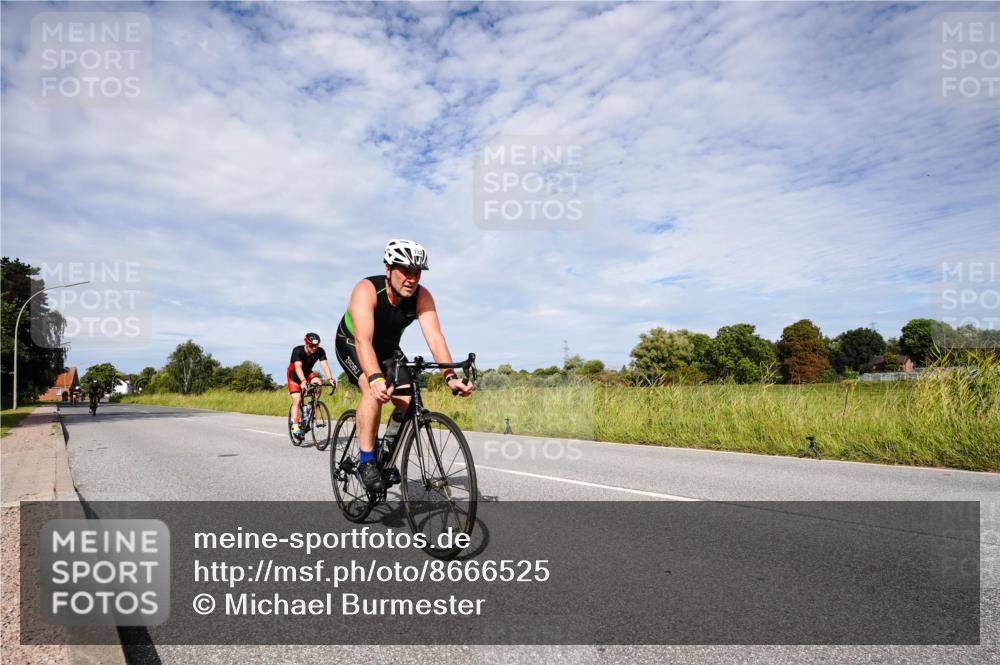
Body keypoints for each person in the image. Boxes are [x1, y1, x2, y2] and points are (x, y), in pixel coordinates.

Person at [335, 239, 473, 492]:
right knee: (371, 389)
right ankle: (366, 461)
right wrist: (376, 378)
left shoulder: (422, 296)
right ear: (388, 269)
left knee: (407, 400)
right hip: (353, 343)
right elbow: (363, 342)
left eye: (417, 272)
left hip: (387, 348)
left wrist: (450, 375)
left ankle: (386, 449)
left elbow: (435, 338)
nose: (412, 278)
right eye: (405, 270)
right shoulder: (366, 290)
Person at [287, 333, 337, 440]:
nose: (314, 348)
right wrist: (303, 381)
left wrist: (330, 379)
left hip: (308, 373)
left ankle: (310, 407)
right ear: (306, 343)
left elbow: (324, 365)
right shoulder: (297, 351)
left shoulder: (320, 351)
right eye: (311, 346)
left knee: (318, 382)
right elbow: (298, 367)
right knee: (297, 399)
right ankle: (295, 427)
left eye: (316, 346)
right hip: (294, 376)